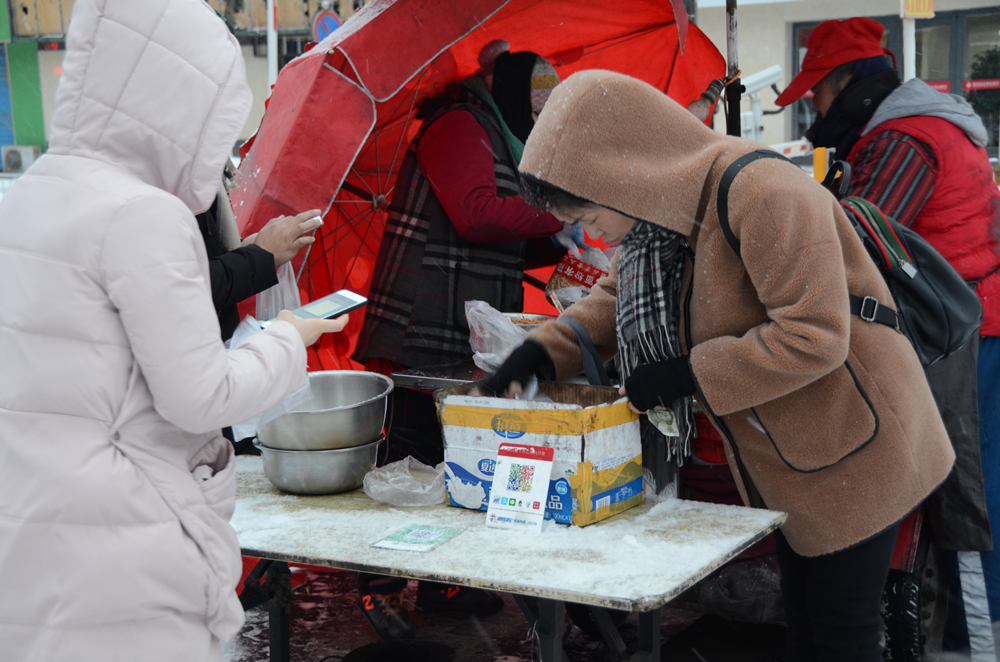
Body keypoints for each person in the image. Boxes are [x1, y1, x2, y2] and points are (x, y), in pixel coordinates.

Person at [485, 69, 956, 661]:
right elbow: (616, 298)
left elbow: (815, 335)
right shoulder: (663, 216)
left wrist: (686, 372)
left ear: (621, 174)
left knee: (842, 635)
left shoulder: (765, 193)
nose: (589, 233)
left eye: (586, 215)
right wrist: (542, 349)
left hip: (856, 446)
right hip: (789, 457)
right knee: (805, 629)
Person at [0, 1, 346, 659]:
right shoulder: (142, 215)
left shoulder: (34, 194)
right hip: (124, 543)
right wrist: (288, 338)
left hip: (30, 529)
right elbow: (198, 395)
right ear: (182, 104)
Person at [774, 17, 1000, 653]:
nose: (814, 110)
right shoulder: (917, 126)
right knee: (960, 480)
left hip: (957, 337)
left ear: (851, 85)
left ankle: (973, 643)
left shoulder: (903, 140)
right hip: (963, 324)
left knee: (964, 495)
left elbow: (854, 247)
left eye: (816, 93)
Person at [349, 42, 567, 640]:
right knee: (412, 451)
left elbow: (509, 231)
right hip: (422, 318)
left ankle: (447, 577)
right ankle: (381, 587)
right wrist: (560, 216)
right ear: (511, 98)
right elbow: (475, 213)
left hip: (460, 321)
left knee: (459, 450)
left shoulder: (498, 137)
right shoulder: (458, 125)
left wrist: (562, 238)